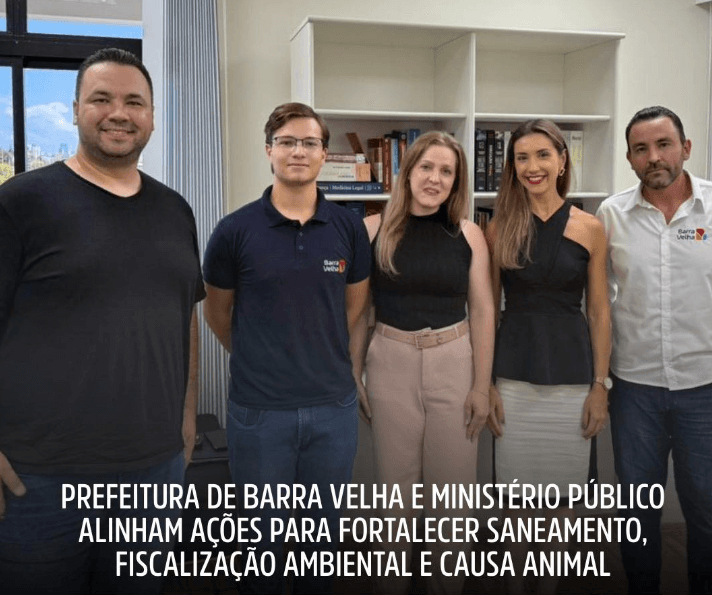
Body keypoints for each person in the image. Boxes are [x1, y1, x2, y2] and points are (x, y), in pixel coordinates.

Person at [0, 48, 204, 595]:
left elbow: (184, 315)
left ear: (152, 117)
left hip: (153, 473)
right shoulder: (20, 203)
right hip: (38, 480)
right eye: (101, 99)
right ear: (75, 110)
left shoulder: (176, 211)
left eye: (134, 102)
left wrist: (186, 418)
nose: (119, 113)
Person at [203, 102, 370, 595]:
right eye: (287, 142)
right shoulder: (234, 231)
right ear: (269, 150)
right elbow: (218, 315)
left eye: (310, 142)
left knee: (323, 548)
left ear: (324, 154)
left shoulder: (349, 228)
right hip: (259, 414)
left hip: (333, 410)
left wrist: (312, 347)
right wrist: (261, 355)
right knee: (263, 552)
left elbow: (352, 308)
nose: (299, 151)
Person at [350, 130, 495, 595]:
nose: (435, 179)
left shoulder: (469, 234)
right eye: (426, 167)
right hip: (389, 360)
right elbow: (359, 312)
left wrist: (481, 386)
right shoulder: (371, 230)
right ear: (407, 171)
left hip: (454, 361)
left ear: (457, 181)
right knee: (394, 494)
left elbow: (484, 311)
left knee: (453, 495)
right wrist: (354, 372)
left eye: (446, 171)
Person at [597, 106, 712, 595]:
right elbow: (598, 303)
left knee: (708, 510)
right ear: (630, 158)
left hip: (709, 389)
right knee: (636, 512)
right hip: (636, 390)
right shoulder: (611, 215)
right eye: (641, 149)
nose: (654, 157)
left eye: (664, 144)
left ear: (686, 149)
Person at [486, 119, 610, 595]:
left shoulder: (590, 227)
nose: (532, 166)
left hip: (573, 375)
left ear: (562, 160)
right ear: (513, 167)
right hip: (513, 374)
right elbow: (487, 310)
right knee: (516, 498)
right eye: (521, 157)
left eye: (542, 155)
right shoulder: (499, 227)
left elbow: (598, 311)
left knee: (563, 498)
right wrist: (486, 383)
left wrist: (600, 386)